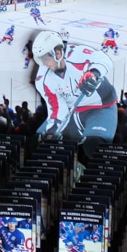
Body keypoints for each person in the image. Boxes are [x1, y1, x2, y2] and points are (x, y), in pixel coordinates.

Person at [32, 30, 117, 160]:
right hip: (71, 111)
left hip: (100, 107)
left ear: (57, 53)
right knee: (39, 143)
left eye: (45, 59)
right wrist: (51, 134)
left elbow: (103, 59)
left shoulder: (78, 54)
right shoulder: (43, 79)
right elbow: (57, 109)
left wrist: (94, 74)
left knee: (94, 146)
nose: (43, 64)